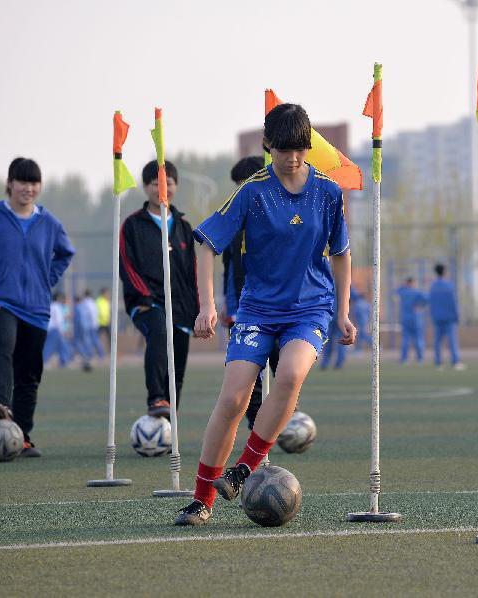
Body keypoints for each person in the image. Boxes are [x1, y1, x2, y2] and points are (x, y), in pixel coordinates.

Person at [175, 103, 355, 525]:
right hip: (257, 309)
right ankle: (202, 499)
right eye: (283, 150)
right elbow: (205, 243)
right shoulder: (253, 192)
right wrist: (208, 306)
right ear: (268, 146)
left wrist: (343, 312)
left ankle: (243, 469)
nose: (292, 159)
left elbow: (342, 255)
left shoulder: (328, 192)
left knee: (291, 374)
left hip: (310, 308)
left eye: (300, 150)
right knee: (234, 399)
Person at [0, 157, 75, 457]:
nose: (28, 188)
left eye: (33, 182)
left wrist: (45, 280)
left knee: (30, 372)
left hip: (36, 306)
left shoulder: (49, 223)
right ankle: (1, 404)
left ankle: (22, 436)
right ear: (9, 184)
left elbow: (66, 253)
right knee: (4, 345)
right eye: (22, 181)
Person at [119, 160, 199, 418]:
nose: (162, 188)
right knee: (159, 332)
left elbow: (192, 272)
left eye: (168, 183)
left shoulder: (184, 228)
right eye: (155, 183)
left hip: (180, 307)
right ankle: (156, 398)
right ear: (145, 187)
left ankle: (168, 419)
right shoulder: (132, 225)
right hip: (147, 302)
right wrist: (142, 296)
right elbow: (126, 264)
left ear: (175, 186)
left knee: (178, 360)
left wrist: (198, 309)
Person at [222, 156, 279, 429]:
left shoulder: (280, 219)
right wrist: (230, 309)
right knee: (247, 375)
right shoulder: (234, 224)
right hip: (245, 312)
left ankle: (285, 417)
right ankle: (256, 422)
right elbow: (229, 269)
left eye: (243, 183)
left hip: (280, 308)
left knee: (282, 362)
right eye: (237, 186)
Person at [429, 264, 465, 370]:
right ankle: (455, 361)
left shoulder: (433, 286)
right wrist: (457, 315)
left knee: (437, 341)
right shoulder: (449, 285)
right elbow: (453, 302)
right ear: (444, 271)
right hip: (449, 317)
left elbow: (431, 302)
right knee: (452, 340)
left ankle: (438, 362)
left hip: (437, 317)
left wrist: (433, 314)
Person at [397, 278, 427, 363]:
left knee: (405, 339)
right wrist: (421, 306)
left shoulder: (403, 292)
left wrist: (403, 285)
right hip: (415, 318)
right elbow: (426, 298)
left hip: (405, 318)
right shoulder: (416, 292)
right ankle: (420, 358)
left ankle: (404, 358)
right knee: (418, 338)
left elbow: (397, 290)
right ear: (413, 283)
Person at [74, 289, 102, 371]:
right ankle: (96, 355)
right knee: (91, 340)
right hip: (92, 324)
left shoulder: (85, 303)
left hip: (88, 325)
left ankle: (89, 355)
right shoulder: (93, 302)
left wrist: (91, 324)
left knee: (86, 340)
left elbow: (89, 314)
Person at [43, 291, 72, 367]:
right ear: (58, 298)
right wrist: (62, 330)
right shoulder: (57, 306)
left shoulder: (51, 305)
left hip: (50, 328)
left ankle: (64, 361)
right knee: (50, 346)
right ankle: (44, 361)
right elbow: (59, 320)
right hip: (55, 329)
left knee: (62, 345)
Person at [320, 294, 347, 370]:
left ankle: (325, 363)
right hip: (339, 317)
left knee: (328, 341)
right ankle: (338, 363)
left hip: (329, 316)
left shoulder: (327, 283)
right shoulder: (344, 284)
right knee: (341, 341)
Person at [350, 285, 372, 351]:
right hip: (365, 321)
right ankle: (358, 349)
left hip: (360, 321)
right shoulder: (366, 303)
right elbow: (369, 313)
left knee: (362, 335)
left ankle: (375, 344)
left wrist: (354, 322)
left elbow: (355, 314)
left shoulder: (357, 304)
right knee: (361, 335)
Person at [96, 287, 111, 353]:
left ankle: (110, 350)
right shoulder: (98, 301)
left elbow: (108, 311)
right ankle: (97, 350)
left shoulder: (107, 301)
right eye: (106, 293)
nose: (108, 294)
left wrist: (109, 318)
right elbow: (99, 312)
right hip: (100, 323)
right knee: (96, 337)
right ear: (103, 293)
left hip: (106, 323)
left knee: (110, 337)